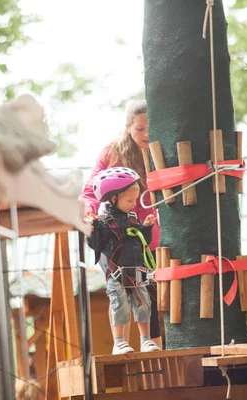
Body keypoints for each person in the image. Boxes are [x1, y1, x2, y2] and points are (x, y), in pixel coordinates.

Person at [81, 100, 163, 350]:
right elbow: (89, 192)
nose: (146, 134)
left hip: (149, 233)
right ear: (127, 127)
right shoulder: (112, 153)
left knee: (149, 293)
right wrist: (89, 214)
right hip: (117, 235)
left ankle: (152, 345)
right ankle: (120, 344)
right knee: (120, 290)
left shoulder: (161, 149)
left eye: (151, 127)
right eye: (140, 128)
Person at [86, 167, 160, 354]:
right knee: (120, 306)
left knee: (144, 305)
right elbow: (96, 245)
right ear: (113, 198)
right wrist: (92, 228)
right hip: (116, 273)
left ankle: (146, 340)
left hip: (137, 271)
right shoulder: (102, 223)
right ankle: (119, 342)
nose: (133, 204)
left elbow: (144, 241)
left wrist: (147, 228)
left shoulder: (133, 220)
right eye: (129, 200)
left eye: (134, 200)